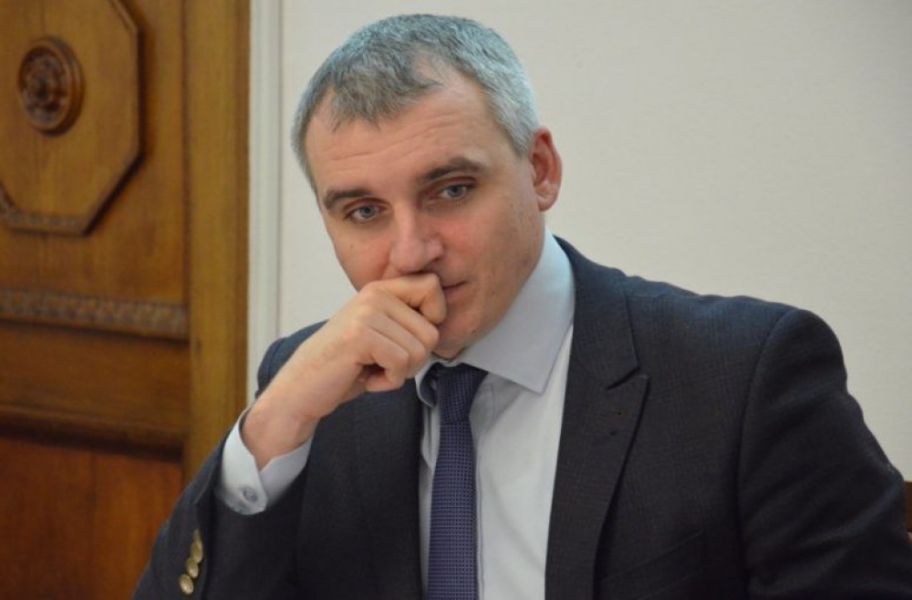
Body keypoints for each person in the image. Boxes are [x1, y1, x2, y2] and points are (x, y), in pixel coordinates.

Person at [134, 14, 912, 600]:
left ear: (540, 171)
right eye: (363, 211)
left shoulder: (745, 377)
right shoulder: (309, 394)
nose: (410, 252)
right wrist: (272, 425)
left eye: (451, 190)